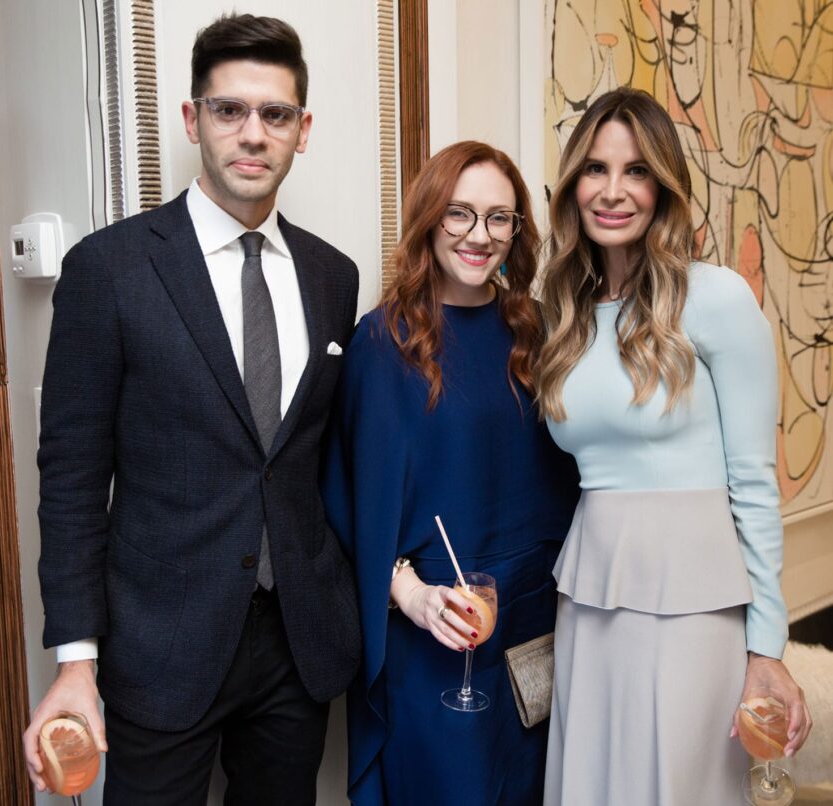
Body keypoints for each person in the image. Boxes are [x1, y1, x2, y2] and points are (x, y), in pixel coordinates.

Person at [22, 14, 361, 805]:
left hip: (296, 644)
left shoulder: (332, 276)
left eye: (275, 114)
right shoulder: (109, 269)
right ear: (192, 119)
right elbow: (70, 479)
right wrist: (77, 662)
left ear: (301, 131)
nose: (253, 134)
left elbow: (314, 457)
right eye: (228, 110)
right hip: (160, 641)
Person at [535, 86, 813, 805]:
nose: (614, 191)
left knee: (679, 787)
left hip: (696, 603)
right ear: (574, 184)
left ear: (664, 185)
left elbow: (753, 482)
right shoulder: (561, 315)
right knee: (591, 782)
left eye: (637, 171)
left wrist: (767, 650)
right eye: (596, 169)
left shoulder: (716, 298)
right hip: (590, 597)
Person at [321, 141, 580, 805]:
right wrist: (407, 594)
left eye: (500, 218)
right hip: (432, 639)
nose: (479, 236)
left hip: (532, 633)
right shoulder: (381, 345)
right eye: (459, 214)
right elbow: (345, 497)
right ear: (429, 218)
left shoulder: (538, 331)